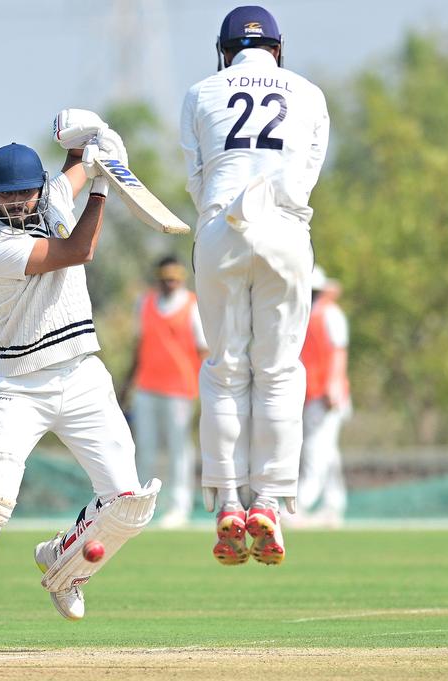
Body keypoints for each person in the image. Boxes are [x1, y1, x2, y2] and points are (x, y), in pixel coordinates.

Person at [0, 110, 160, 647]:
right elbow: (78, 251)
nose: (18, 204)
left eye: (26, 193)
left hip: (81, 374)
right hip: (18, 386)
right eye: (8, 197)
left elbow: (71, 166)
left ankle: (64, 567)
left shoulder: (53, 198)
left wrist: (89, 144)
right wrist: (102, 185)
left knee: (130, 502)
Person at [179, 5, 330, 566]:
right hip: (286, 232)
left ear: (224, 50)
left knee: (225, 368)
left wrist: (225, 217)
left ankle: (225, 500)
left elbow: (197, 177)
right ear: (278, 49)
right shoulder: (310, 94)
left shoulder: (200, 91)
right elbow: (307, 174)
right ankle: (267, 499)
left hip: (220, 227)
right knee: (279, 371)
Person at [118, 255, 208, 527]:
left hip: (180, 388)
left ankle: (179, 506)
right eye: (165, 278)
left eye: (174, 278)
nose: (170, 283)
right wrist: (127, 384)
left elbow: (203, 350)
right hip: (147, 385)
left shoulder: (192, 305)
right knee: (144, 447)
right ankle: (144, 506)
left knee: (179, 449)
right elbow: (139, 343)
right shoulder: (144, 303)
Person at [297, 265, 349, 526]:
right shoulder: (306, 315)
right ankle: (333, 506)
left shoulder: (329, 314)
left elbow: (339, 352)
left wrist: (333, 387)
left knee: (315, 451)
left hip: (325, 394)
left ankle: (299, 504)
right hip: (312, 392)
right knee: (328, 453)